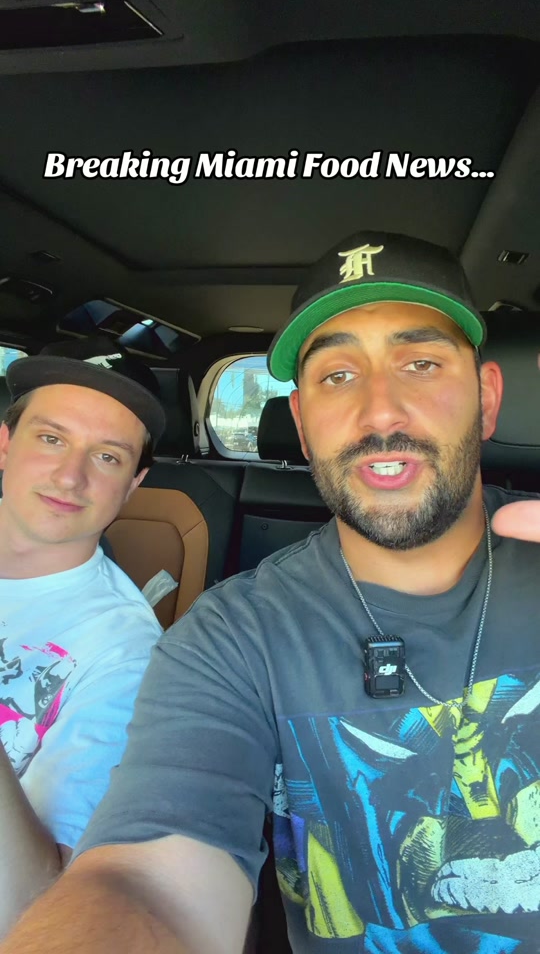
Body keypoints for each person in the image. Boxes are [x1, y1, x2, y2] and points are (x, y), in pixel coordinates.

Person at [2, 232, 540, 954]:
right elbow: (149, 882)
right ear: (304, 427)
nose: (381, 412)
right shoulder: (229, 636)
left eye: (420, 363)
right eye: (337, 376)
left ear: (486, 398)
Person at [0, 339, 165, 936]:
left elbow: (31, 906)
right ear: (4, 443)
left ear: (133, 484)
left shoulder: (126, 651)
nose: (70, 477)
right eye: (51, 438)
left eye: (108, 457)